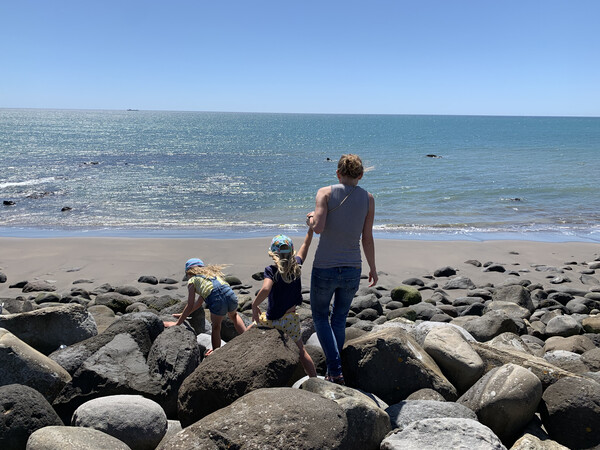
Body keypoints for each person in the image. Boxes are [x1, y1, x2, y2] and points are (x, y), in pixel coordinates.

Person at [306, 154, 377, 385]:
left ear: (337, 173)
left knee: (319, 317)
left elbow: (318, 228)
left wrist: (310, 219)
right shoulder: (368, 198)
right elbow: (367, 237)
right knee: (339, 318)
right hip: (352, 267)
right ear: (360, 174)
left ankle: (335, 369)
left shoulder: (324, 193)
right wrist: (373, 268)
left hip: (325, 266)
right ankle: (334, 370)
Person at [251, 231, 317, 378]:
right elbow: (305, 245)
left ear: (273, 254)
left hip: (273, 320)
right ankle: (314, 378)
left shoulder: (271, 270)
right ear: (292, 251)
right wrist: (310, 231)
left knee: (250, 328)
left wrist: (254, 305)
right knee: (301, 351)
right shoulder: (297, 266)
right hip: (290, 320)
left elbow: (266, 289)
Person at [164, 258, 247, 356]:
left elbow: (190, 305)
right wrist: (183, 314)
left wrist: (177, 323)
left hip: (217, 300)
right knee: (234, 316)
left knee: (216, 326)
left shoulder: (192, 281)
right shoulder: (212, 274)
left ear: (188, 272)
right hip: (230, 295)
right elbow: (198, 304)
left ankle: (216, 351)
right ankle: (246, 336)